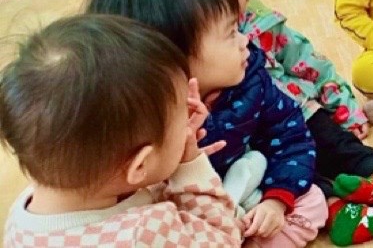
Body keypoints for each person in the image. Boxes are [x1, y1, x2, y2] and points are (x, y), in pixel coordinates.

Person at [125, 0, 373, 246]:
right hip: (243, 168)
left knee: (328, 147)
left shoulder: (250, 57)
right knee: (303, 184)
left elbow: (304, 67)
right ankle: (339, 208)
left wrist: (341, 105)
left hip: (291, 112)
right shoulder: (153, 107)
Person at [87, 0, 334, 247]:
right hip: (181, 210)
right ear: (174, 57)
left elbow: (291, 138)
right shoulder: (139, 117)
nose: (245, 41)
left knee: (312, 201)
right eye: (230, 33)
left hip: (240, 188)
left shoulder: (251, 81)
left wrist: (276, 200)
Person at [0, 14, 243, 247]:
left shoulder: (22, 214)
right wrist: (189, 167)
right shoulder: (144, 231)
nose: (189, 123)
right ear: (139, 165)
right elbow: (224, 239)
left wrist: (165, 157)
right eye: (182, 118)